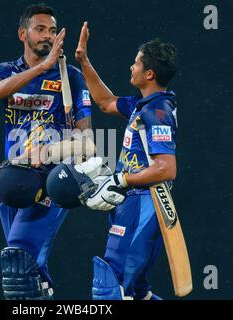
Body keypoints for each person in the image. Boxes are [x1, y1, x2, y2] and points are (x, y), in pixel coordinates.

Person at [0, 4, 93, 299]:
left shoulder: (70, 77)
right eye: (40, 29)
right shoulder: (4, 71)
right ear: (23, 33)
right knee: (28, 273)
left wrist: (49, 152)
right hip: (15, 178)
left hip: (51, 179)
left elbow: (88, 142)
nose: (48, 36)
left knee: (19, 260)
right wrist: (41, 69)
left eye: (53, 30)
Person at [74, 22, 179, 300]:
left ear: (149, 73)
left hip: (143, 203)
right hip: (133, 203)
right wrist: (84, 61)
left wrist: (121, 179)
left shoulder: (157, 112)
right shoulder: (141, 105)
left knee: (111, 289)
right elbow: (105, 102)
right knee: (137, 293)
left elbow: (166, 169)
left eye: (136, 64)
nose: (130, 67)